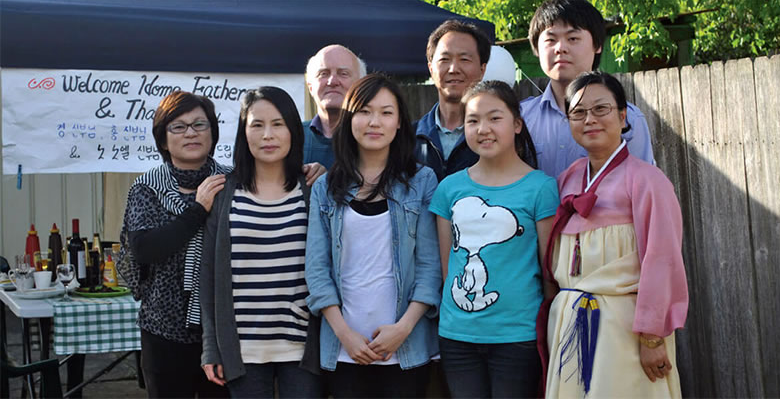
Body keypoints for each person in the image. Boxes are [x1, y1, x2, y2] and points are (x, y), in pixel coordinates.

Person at [539, 71, 688, 398]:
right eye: (578, 113)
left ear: (623, 117)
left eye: (601, 109)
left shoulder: (647, 181)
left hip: (625, 327)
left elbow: (662, 261)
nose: (589, 119)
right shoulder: (568, 179)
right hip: (569, 321)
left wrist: (651, 337)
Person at [305, 74, 441, 398]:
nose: (374, 122)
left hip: (405, 347)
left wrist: (403, 328)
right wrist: (344, 334)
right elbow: (316, 267)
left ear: (399, 124)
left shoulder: (422, 181)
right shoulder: (325, 187)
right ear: (350, 119)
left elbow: (430, 265)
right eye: (364, 111)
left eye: (386, 112)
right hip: (344, 349)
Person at [429, 80, 558, 398]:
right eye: (472, 120)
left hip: (518, 335)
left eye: (494, 118)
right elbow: (448, 269)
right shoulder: (449, 188)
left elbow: (549, 272)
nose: (483, 128)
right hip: (458, 335)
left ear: (516, 124)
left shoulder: (541, 188)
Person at [199, 87, 322, 398]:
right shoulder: (224, 193)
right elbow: (209, 275)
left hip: (301, 349)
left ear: (294, 130)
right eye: (257, 124)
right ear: (243, 131)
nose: (268, 134)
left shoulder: (313, 190)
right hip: (242, 350)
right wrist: (211, 347)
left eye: (278, 124)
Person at [118, 91, 230, 398]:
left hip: (224, 333)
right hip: (163, 332)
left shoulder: (234, 182)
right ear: (163, 140)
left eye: (199, 125)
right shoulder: (147, 188)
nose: (191, 132)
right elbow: (146, 248)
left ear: (213, 133)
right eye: (178, 127)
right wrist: (198, 210)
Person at [520, 0, 654, 178]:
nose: (560, 48)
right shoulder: (519, 118)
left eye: (573, 38)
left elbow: (643, 189)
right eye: (551, 39)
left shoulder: (628, 119)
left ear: (597, 45)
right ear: (536, 48)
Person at [415, 19, 492, 181]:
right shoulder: (407, 138)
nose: (453, 69)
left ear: (482, 70)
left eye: (464, 59)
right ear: (431, 68)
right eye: (444, 59)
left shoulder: (496, 137)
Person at [303, 44, 368, 177]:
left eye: (343, 74)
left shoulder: (374, 137)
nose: (332, 81)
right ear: (310, 87)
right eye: (323, 74)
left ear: (361, 85)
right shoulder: (291, 137)